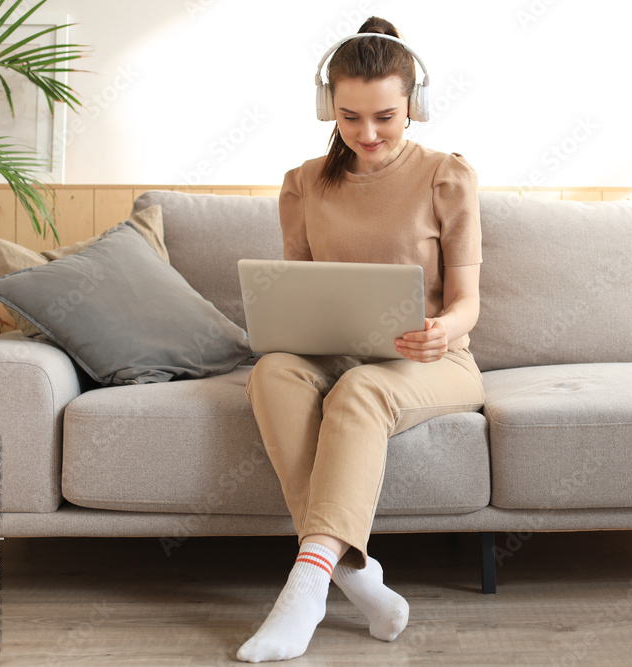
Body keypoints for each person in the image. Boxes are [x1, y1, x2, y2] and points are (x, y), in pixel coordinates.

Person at [236, 16, 485, 663]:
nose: (368, 134)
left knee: (359, 389)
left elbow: (468, 302)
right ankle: (356, 578)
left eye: (385, 117)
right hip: (334, 353)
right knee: (270, 372)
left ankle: (306, 589)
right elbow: (295, 291)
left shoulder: (446, 176)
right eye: (350, 117)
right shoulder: (303, 184)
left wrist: (442, 329)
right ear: (328, 106)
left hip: (432, 362)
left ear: (415, 105)